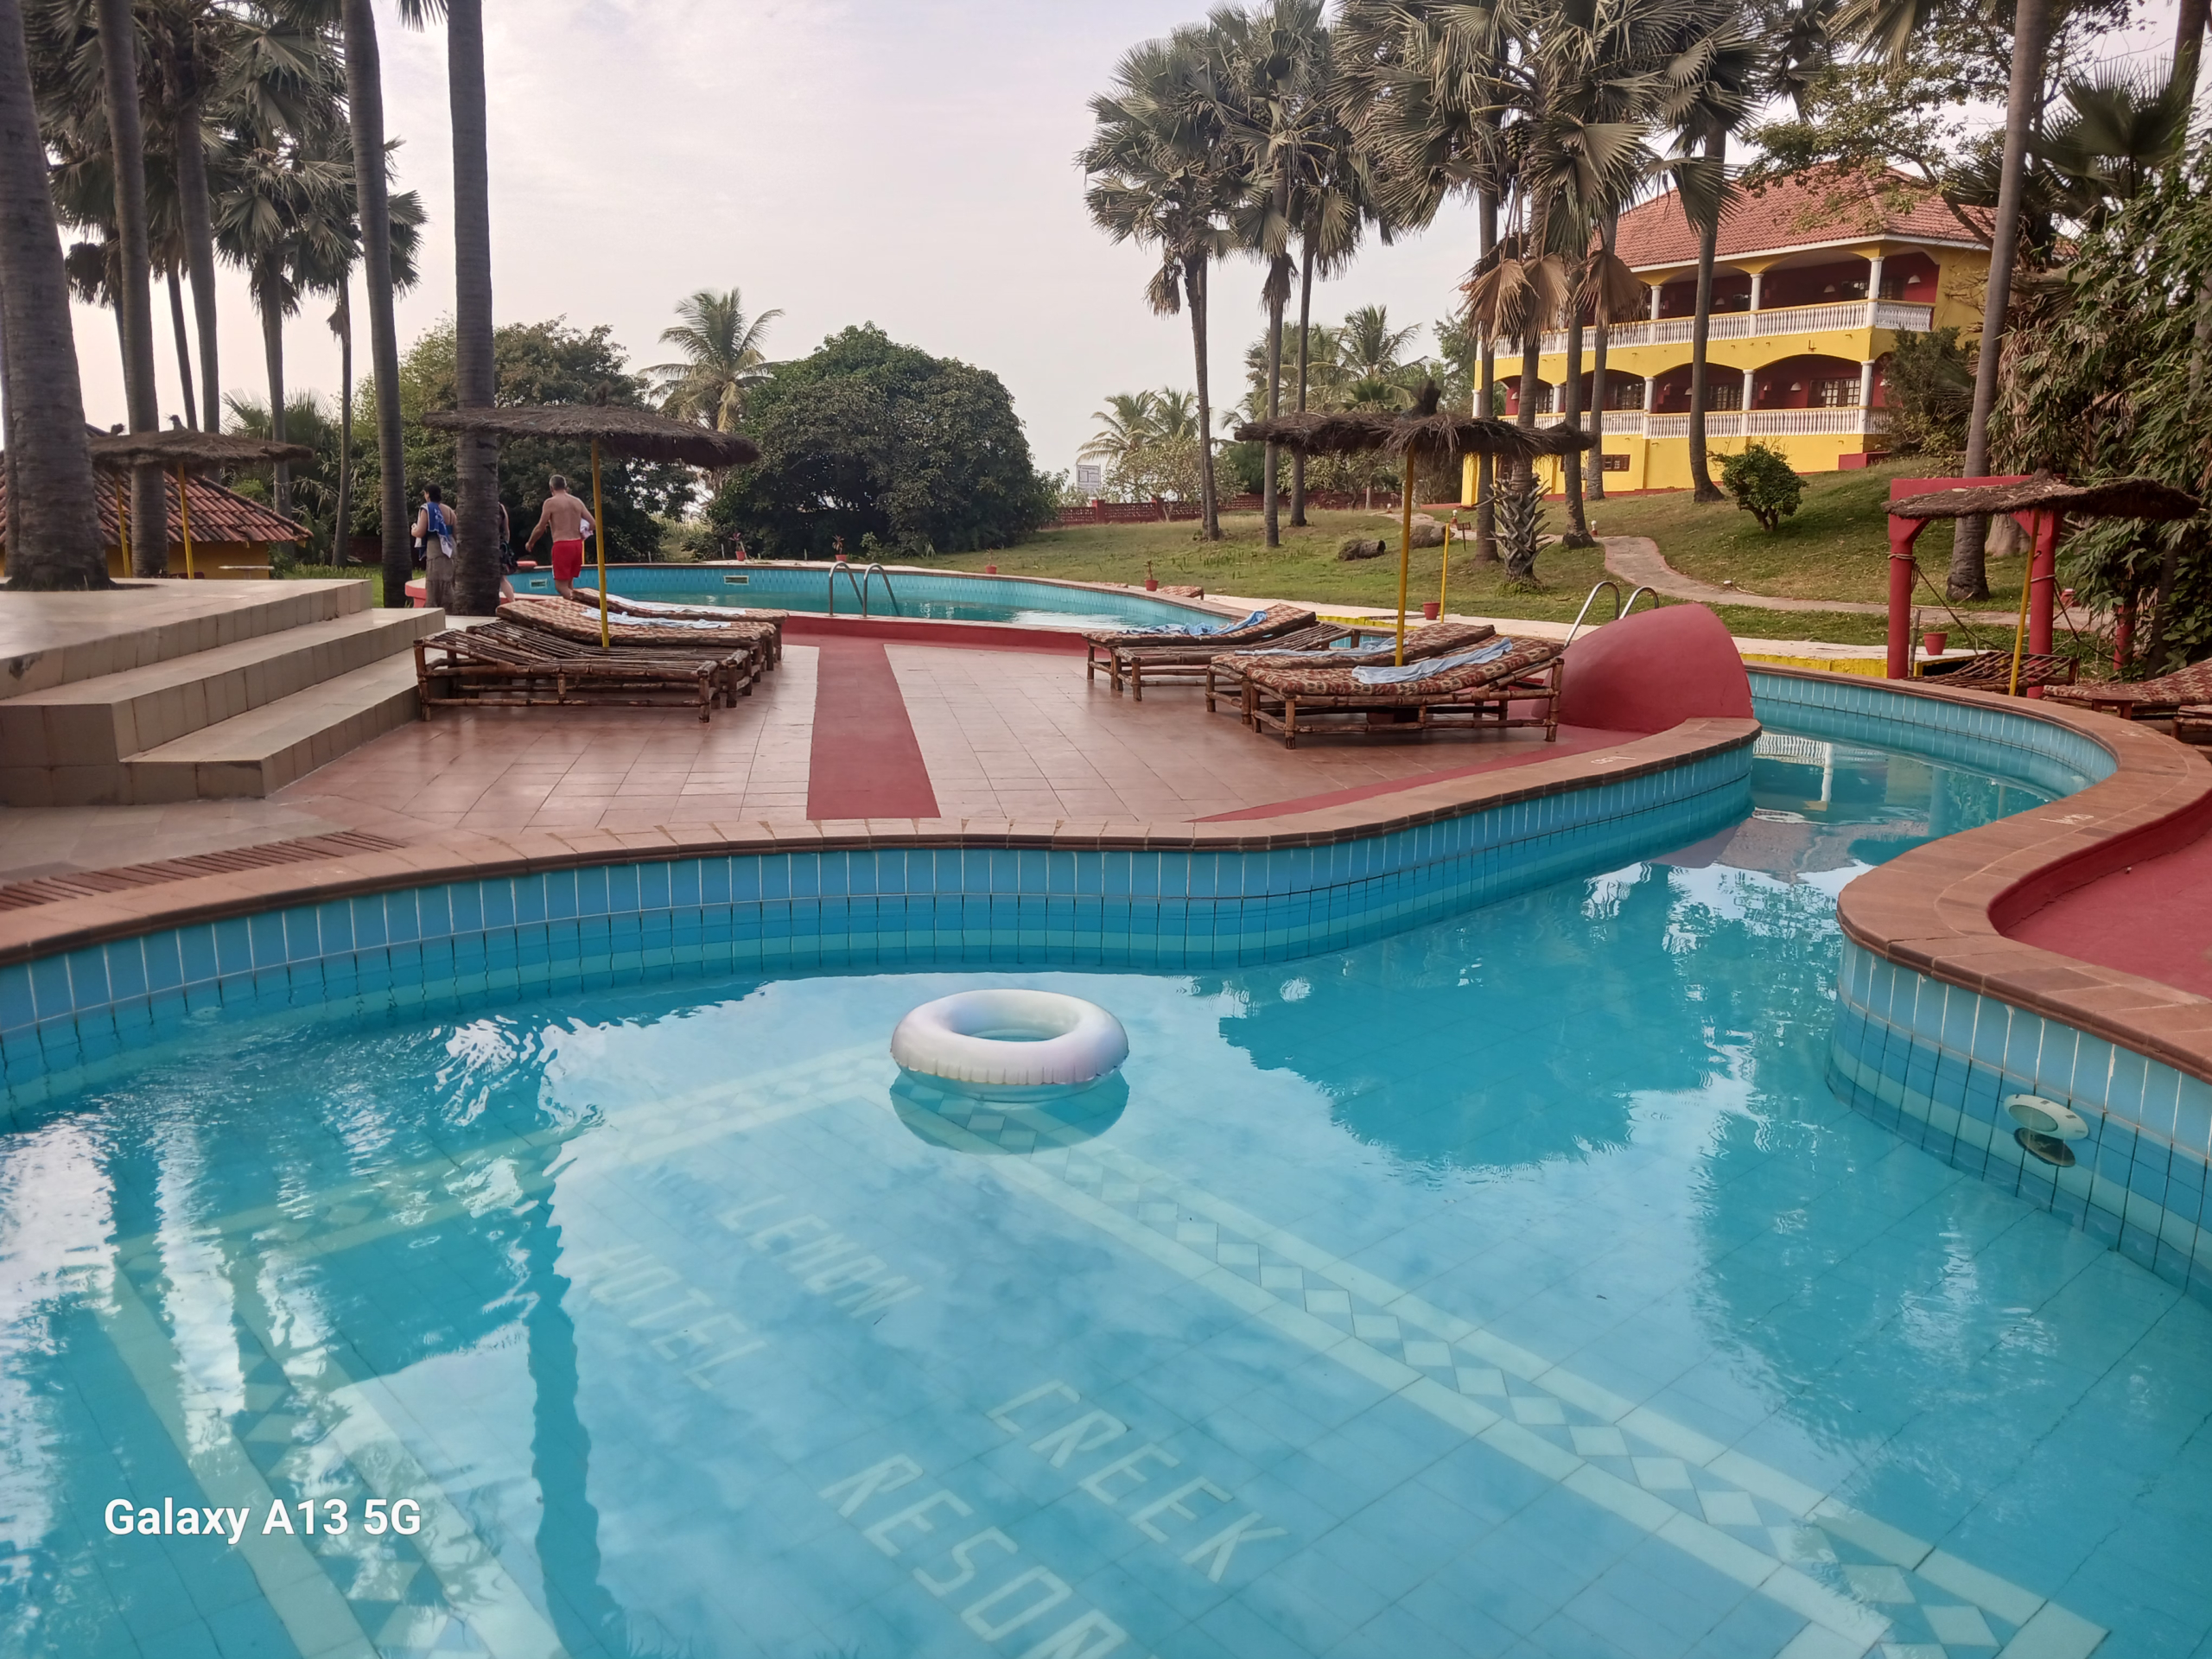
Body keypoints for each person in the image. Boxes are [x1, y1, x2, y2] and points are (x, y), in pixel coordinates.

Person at [526, 474, 593, 601]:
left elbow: (541, 527)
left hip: (562, 545)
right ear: (566, 487)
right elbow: (593, 523)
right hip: (577, 544)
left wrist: (530, 542)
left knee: (560, 586)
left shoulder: (550, 503)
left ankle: (581, 605)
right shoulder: (577, 502)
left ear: (551, 488)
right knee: (569, 584)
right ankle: (574, 610)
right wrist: (581, 533)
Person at [412, 485, 456, 611]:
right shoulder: (449, 510)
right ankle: (450, 610)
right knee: (449, 582)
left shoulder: (427, 509)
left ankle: (434, 610)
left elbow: (420, 532)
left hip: (436, 547)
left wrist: (413, 530)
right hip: (450, 547)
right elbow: (456, 532)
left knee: (435, 583)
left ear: (427, 494)